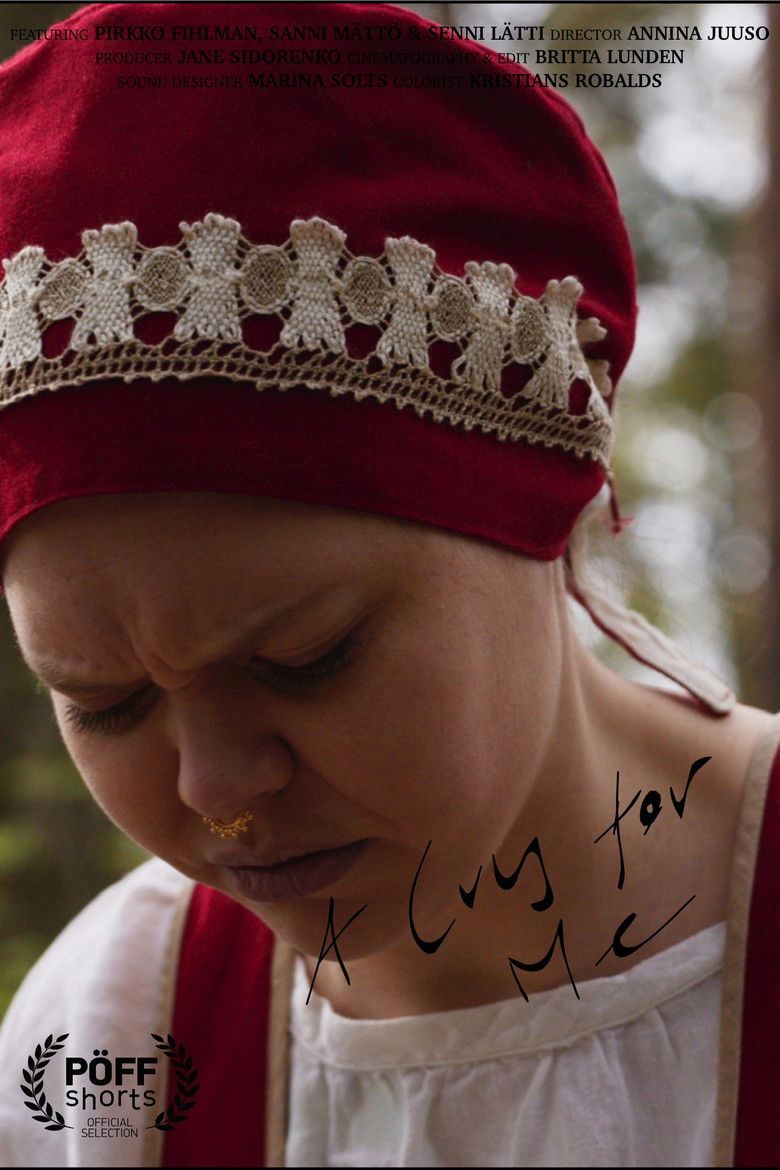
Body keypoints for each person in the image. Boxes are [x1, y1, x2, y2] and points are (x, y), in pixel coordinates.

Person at [0, 2, 777, 1166]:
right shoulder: (113, 1038)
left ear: (548, 505)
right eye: (104, 701)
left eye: (304, 658)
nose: (217, 791)